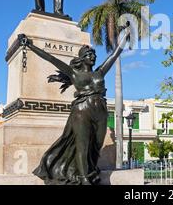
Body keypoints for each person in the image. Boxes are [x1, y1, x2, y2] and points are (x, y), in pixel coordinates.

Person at [18, 22, 131, 185]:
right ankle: (84, 178)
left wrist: (124, 36)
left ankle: (87, 170)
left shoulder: (99, 72)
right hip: (82, 110)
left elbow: (114, 55)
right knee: (82, 144)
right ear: (82, 57)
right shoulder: (74, 73)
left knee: (96, 145)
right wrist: (30, 45)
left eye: (94, 54)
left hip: (100, 109)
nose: (93, 56)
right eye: (89, 54)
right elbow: (51, 58)